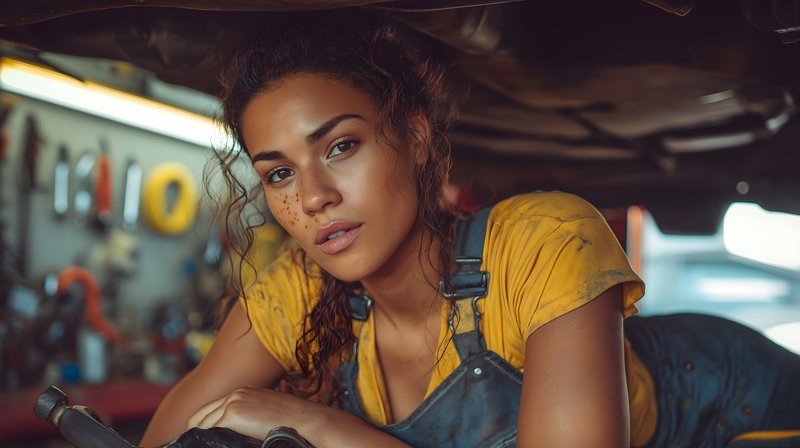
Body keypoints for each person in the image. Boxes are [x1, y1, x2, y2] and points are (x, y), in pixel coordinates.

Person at [140, 10, 800, 448]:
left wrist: (321, 426)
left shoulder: (544, 239)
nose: (312, 198)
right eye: (279, 174)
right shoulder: (298, 290)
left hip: (742, 413)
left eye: (341, 147)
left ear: (418, 139)